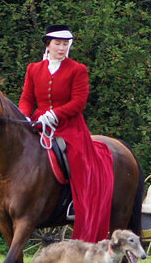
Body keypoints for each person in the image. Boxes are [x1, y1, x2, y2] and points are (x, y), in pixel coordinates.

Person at [18, 24, 116, 242]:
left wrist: (55, 115)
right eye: (57, 44)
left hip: (69, 126)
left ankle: (75, 203)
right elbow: (27, 98)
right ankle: (1, 203)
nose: (61, 48)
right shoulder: (33, 68)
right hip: (39, 122)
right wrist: (24, 116)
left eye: (65, 44)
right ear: (48, 45)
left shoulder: (77, 69)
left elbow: (78, 102)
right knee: (15, 152)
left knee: (76, 158)